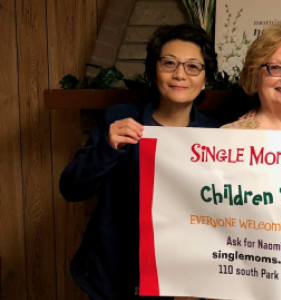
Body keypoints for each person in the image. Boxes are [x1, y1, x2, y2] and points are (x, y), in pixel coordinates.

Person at [59, 24, 219, 300]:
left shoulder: (217, 136)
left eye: (193, 66)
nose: (180, 74)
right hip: (117, 279)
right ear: (154, 72)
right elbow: (71, 188)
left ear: (204, 79)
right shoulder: (118, 120)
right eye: (169, 63)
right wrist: (108, 148)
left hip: (186, 283)